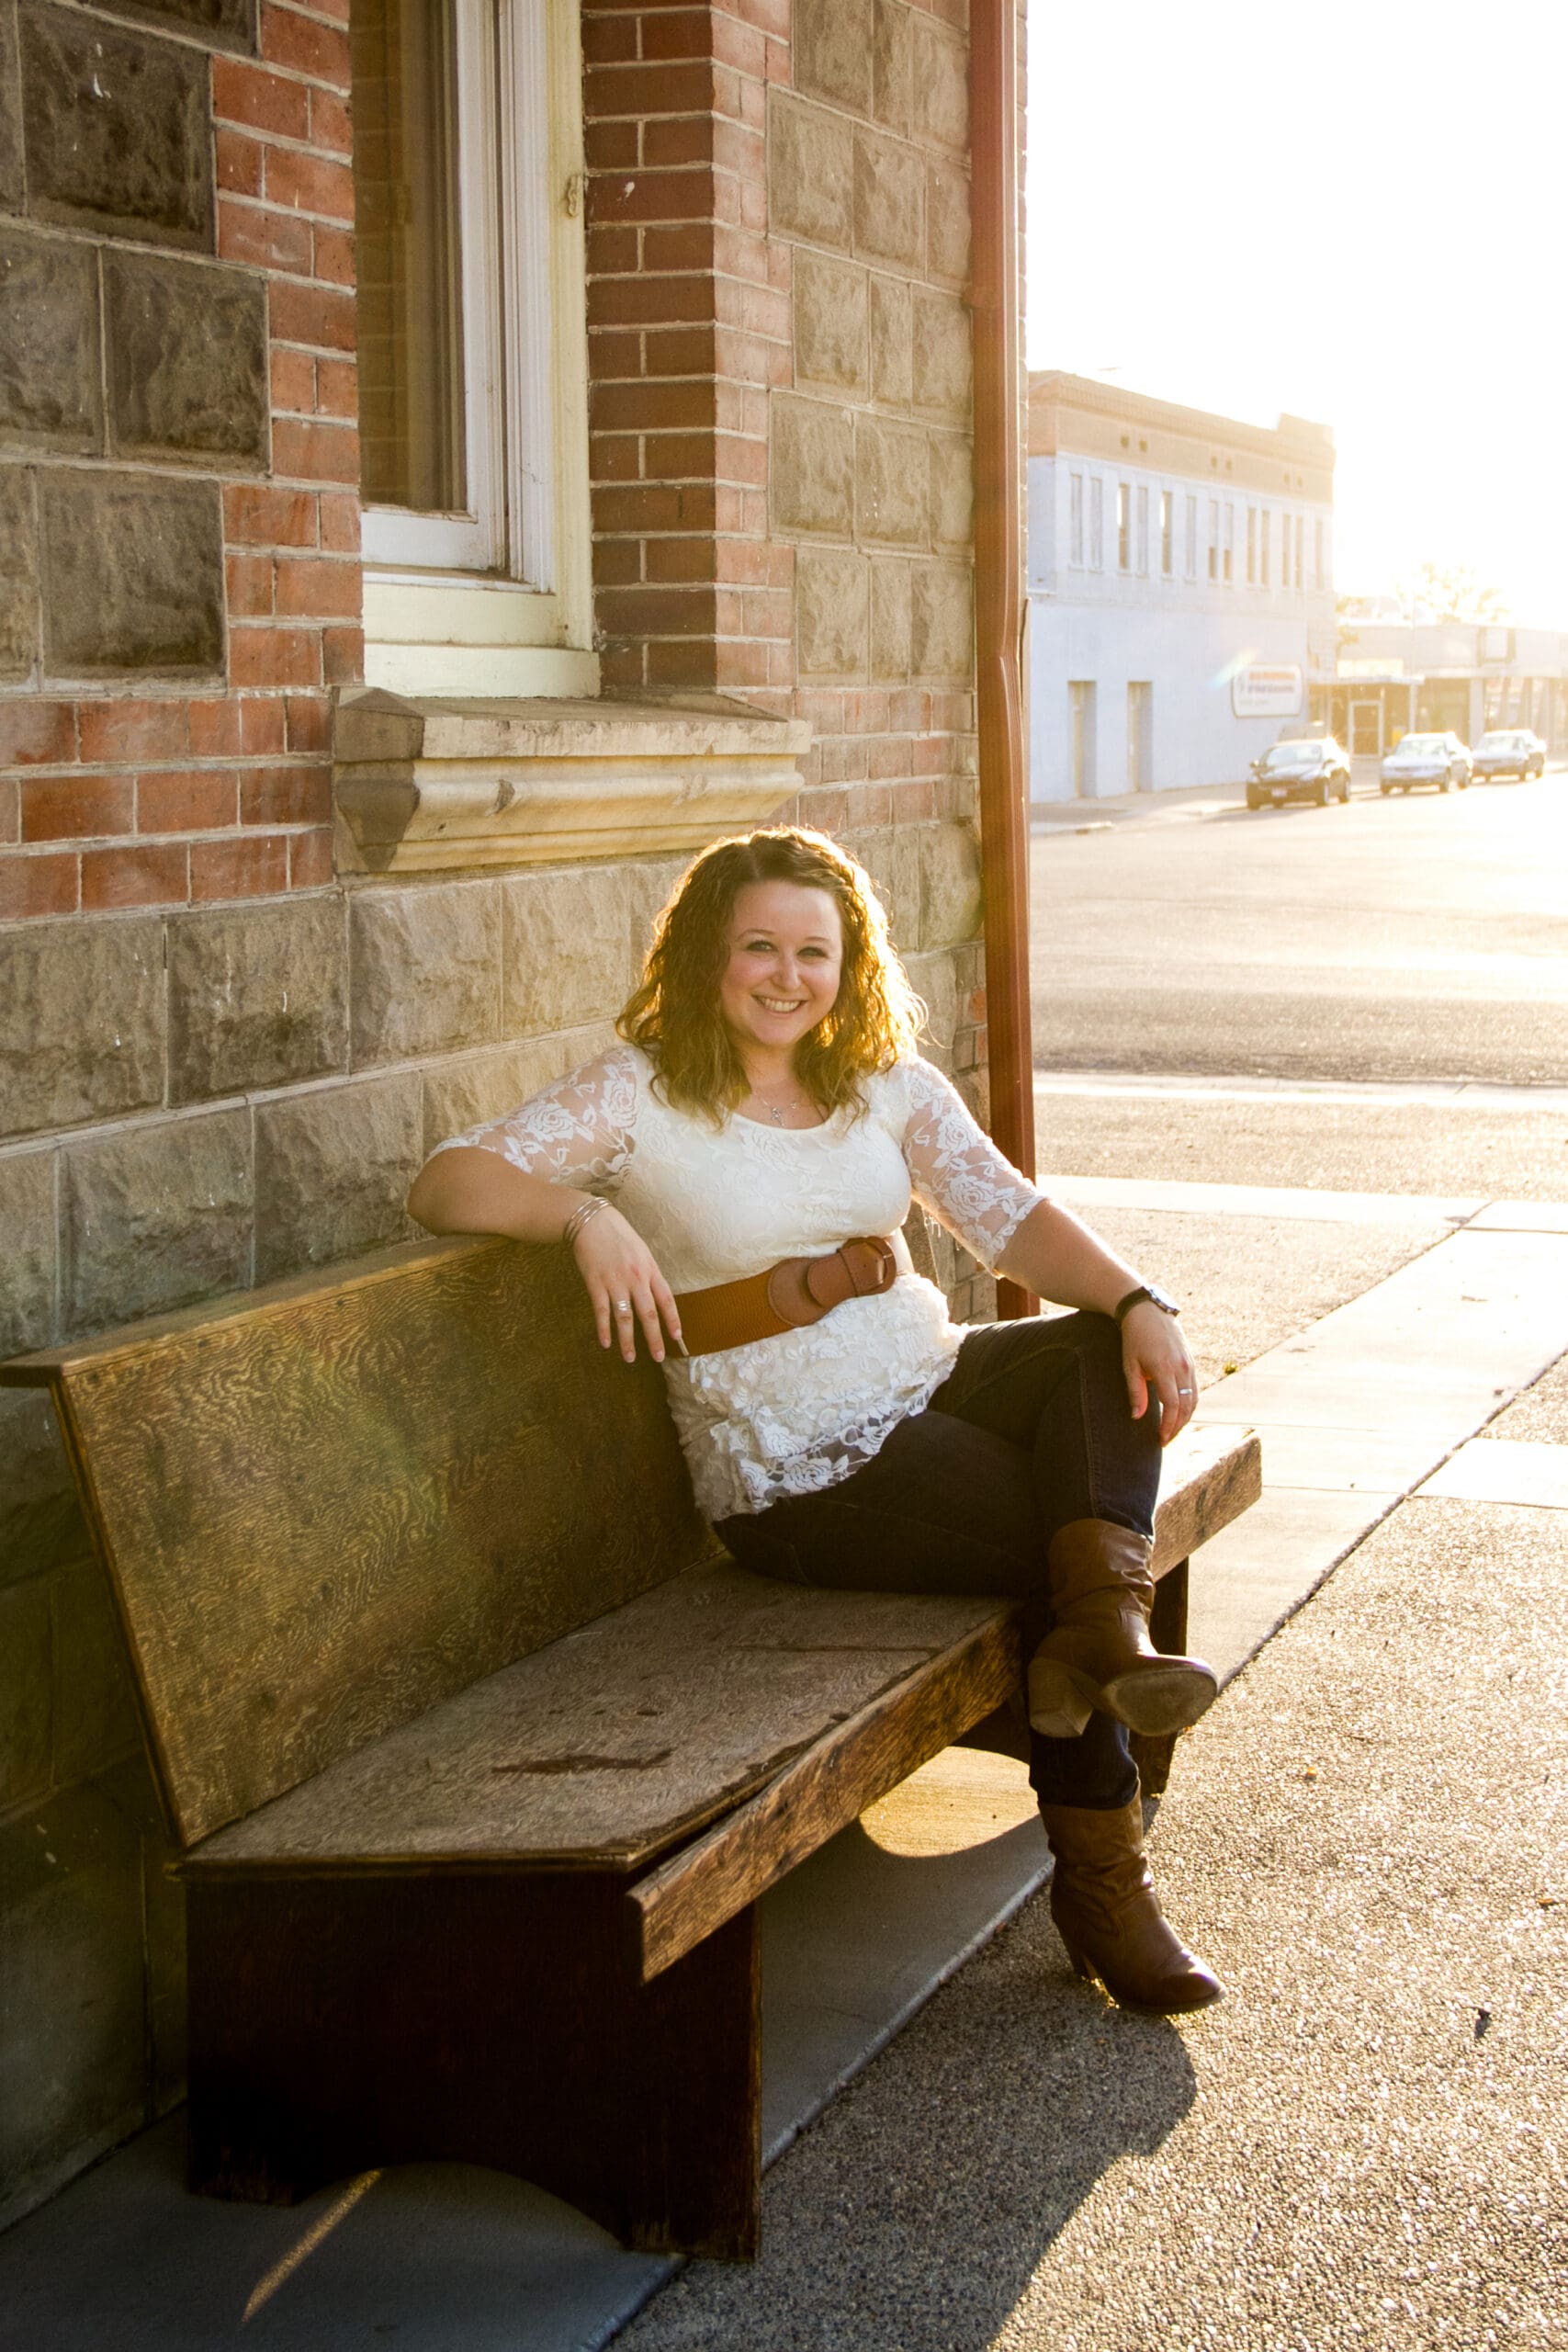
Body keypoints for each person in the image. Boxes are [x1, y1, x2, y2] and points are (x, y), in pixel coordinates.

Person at [407, 827, 1221, 2011]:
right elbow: (446, 1182)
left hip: (923, 1374)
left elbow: (1010, 1216)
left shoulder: (884, 1083)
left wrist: (1142, 1299)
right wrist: (582, 1219)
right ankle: (1108, 1884)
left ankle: (1099, 1641)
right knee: (1064, 1552)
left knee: (1098, 1350)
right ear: (705, 957)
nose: (788, 977)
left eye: (814, 952)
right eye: (759, 948)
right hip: (797, 1468)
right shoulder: (639, 1090)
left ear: (851, 965)